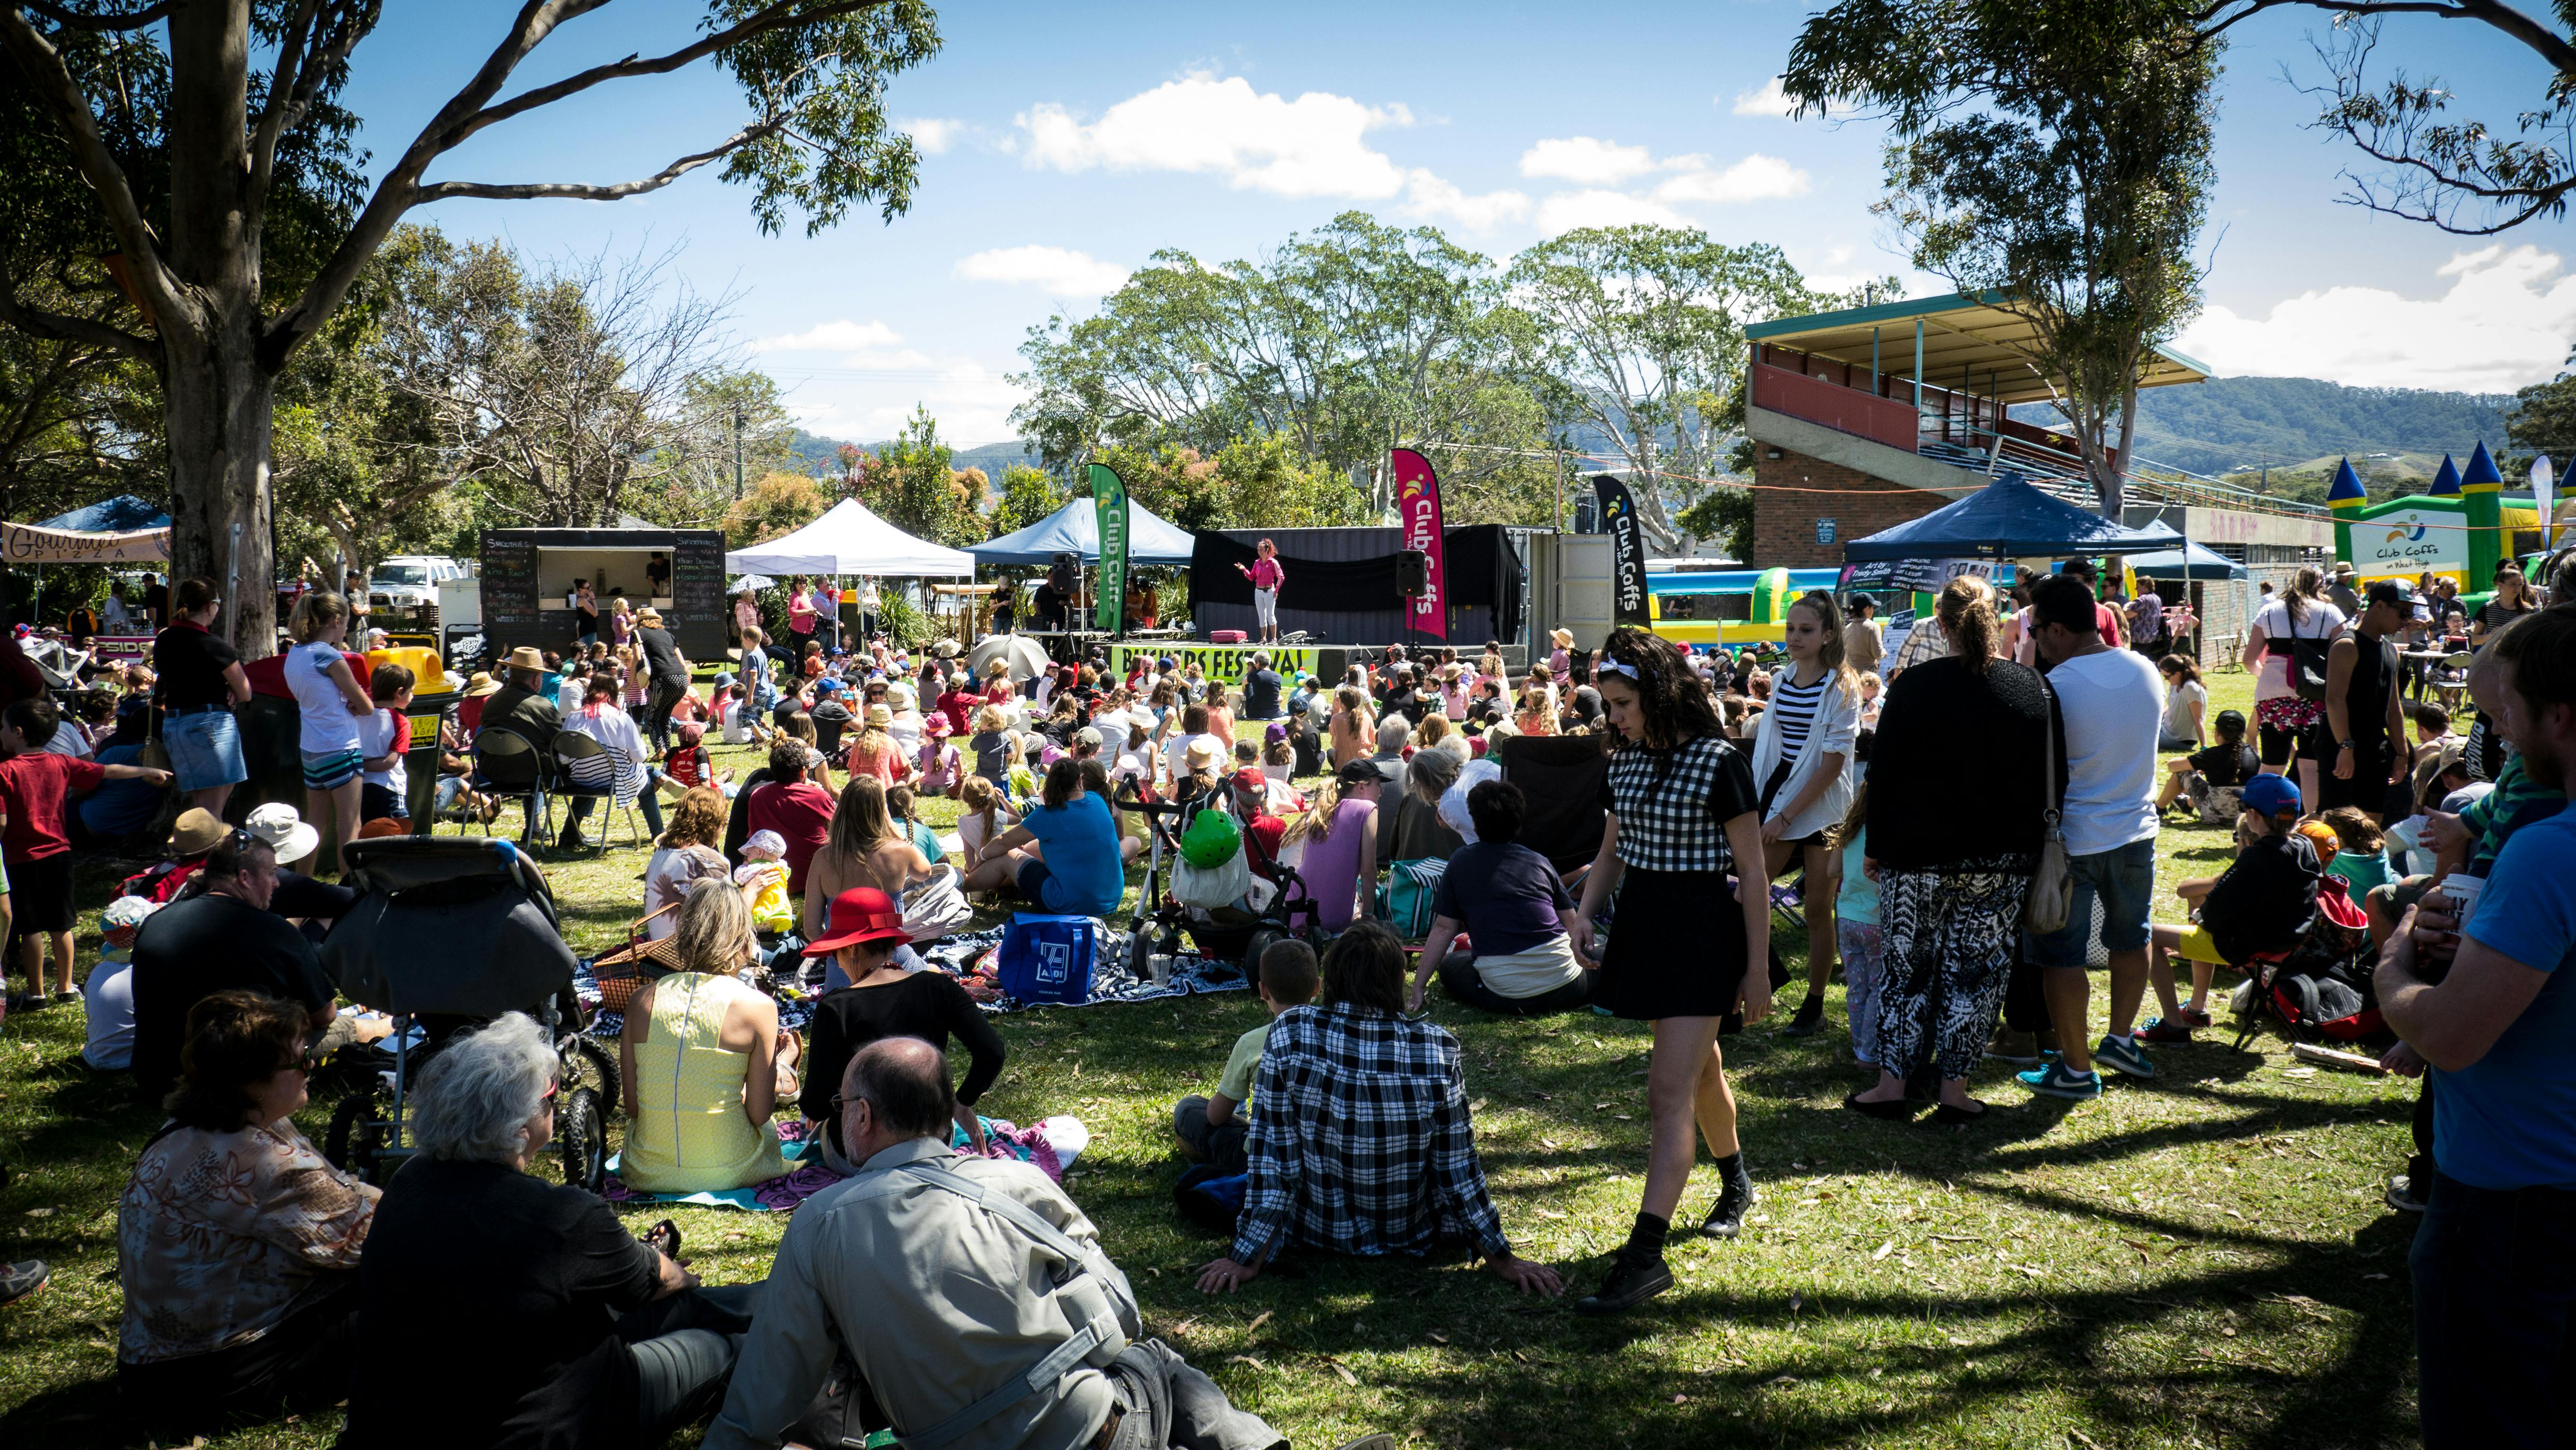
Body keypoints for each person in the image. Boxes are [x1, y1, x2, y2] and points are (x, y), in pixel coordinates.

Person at [715, 1039, 1307, 1450]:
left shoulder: (817, 1223)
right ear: (945, 1114)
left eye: (841, 1105)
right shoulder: (1016, 1182)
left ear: (863, 1116)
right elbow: (1119, 1313)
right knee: (1155, 1361)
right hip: (1089, 1431)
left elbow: (768, 1388)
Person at [346, 1012, 758, 1449]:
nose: (556, 1106)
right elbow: (651, 1280)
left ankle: (782, 1304)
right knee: (724, 1345)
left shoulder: (406, 1186)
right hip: (553, 1424)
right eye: (550, 1096)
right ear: (522, 1129)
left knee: (693, 1308)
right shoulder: (563, 1215)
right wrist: (682, 1274)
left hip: (396, 1430)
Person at [2369, 608, 2576, 1446]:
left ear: (2558, 716)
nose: (2497, 736)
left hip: (2512, 1204)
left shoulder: (2549, 853)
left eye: (2503, 717)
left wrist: (2393, 968)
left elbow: (2450, 1038)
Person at [1195, 922, 1560, 1305]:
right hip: (1409, 1234)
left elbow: (1275, 1160)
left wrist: (1247, 1257)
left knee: (1195, 1116)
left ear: (1329, 980)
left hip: (1314, 1231)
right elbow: (1457, 1170)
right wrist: (1503, 1258)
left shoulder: (1291, 1033)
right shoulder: (1437, 1049)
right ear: (1397, 980)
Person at [1567, 626, 1769, 1312]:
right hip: (1648, 927)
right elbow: (1612, 853)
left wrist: (1758, 971)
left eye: (1622, 703)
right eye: (1611, 705)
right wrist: (1586, 913)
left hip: (1702, 932)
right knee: (1698, 1067)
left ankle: (1646, 1256)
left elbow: (1753, 871)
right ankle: (1737, 1179)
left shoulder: (1718, 762)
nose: (1614, 716)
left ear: (1655, 693)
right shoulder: (1621, 764)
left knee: (1666, 1093)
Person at [116, 991, 377, 1433]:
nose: (310, 1067)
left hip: (149, 1367)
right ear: (252, 1080)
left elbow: (338, 1201)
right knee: (421, 1296)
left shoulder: (189, 1128)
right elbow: (386, 1236)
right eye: (299, 1063)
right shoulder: (263, 1165)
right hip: (214, 1380)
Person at [1844, 575, 2051, 1119]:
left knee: (1904, 970)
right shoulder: (2029, 687)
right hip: (2001, 857)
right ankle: (1954, 1091)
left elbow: (1883, 774)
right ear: (1999, 621)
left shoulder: (1913, 687)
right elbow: (2048, 778)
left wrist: (1876, 844)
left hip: (1917, 854)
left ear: (1940, 623)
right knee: (1976, 974)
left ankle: (1891, 1085)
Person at [2017, 573, 2167, 1100]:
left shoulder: (2054, 686)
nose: (2034, 640)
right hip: (2136, 831)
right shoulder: (2146, 668)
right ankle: (2119, 1038)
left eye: (2035, 629)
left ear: (2056, 628)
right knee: (2132, 938)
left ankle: (2076, 1070)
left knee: (2062, 956)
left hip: (2073, 841)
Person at [796, 887, 1005, 1173]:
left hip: (858, 1153)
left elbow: (817, 1106)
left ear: (853, 948)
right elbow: (992, 1051)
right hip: (933, 1145)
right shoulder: (940, 988)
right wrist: (961, 1103)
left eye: (836, 952)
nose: (837, 961)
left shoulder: (836, 1006)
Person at [127, 830, 340, 1103]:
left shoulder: (156, 921)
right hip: (236, 1082)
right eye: (272, 873)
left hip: (158, 1078)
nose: (277, 883)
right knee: (352, 1026)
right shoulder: (275, 931)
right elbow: (324, 1016)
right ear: (244, 878)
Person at [619, 880, 794, 1192]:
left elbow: (634, 1107)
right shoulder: (758, 1007)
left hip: (646, 1169)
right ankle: (787, 1070)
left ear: (684, 933)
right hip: (730, 1168)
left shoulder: (641, 1000)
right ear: (744, 939)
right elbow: (759, 1114)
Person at [0, 699, 169, 1007]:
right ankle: (65, 987)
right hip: (60, 855)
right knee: (62, 924)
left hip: (20, 859)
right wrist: (145, 768)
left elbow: (1, 821)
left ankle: (36, 993)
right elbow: (107, 771)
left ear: (18, 732)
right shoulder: (60, 763)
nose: (1, 732)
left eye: (3, 727)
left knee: (31, 929)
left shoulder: (4, 772)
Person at [2139, 775, 2322, 1042]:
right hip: (2288, 941)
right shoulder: (2305, 847)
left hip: (2246, 946)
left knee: (2148, 935)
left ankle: (2172, 1024)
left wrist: (2197, 919)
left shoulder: (2256, 857)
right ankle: (2196, 1009)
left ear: (2254, 816)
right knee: (2197, 904)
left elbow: (2212, 916)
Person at [1752, 591, 1861, 1037]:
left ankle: (1814, 1005)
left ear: (1829, 635)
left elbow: (1833, 763)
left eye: (1806, 630)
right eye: (1791, 629)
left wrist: (1785, 817)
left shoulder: (1842, 685)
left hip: (1826, 802)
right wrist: (1768, 806)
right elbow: (1773, 748)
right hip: (1782, 790)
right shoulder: (1780, 678)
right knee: (1750, 895)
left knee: (1818, 908)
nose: (1794, 638)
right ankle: (1756, 984)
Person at [1409, 780, 1592, 1015]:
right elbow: (1571, 923)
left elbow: (1445, 927)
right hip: (1568, 985)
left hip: (1505, 994)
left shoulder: (1460, 862)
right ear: (1519, 822)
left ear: (1475, 823)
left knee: (1450, 965)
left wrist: (1418, 987)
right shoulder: (1538, 861)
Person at [1174, 939, 1319, 1175]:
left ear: (1263, 990)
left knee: (1188, 1108)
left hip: (1261, 1161)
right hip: (1321, 1159)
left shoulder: (1252, 1044)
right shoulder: (1336, 1035)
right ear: (1317, 986)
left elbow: (1215, 1116)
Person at [280, 591, 376, 873]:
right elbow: (367, 706)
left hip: (311, 749)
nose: (347, 628)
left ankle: (302, 886)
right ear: (336, 620)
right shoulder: (328, 656)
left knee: (314, 825)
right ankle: (351, 893)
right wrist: (355, 705)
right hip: (340, 745)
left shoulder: (295, 653)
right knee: (349, 824)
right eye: (346, 622)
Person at [2243, 565, 2347, 813]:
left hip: (2273, 696)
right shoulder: (2331, 613)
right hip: (2315, 695)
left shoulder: (2268, 611)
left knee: (2271, 763)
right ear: (2320, 585)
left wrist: (2265, 677)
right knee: (2310, 765)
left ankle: (2255, 817)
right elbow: (2342, 656)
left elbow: (2249, 660)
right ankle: (2311, 823)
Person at [969, 758, 1124, 917]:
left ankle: (962, 887)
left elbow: (1004, 843)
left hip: (1070, 904)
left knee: (1007, 856)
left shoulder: (1049, 814)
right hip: (1110, 900)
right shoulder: (1097, 800)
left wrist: (982, 855)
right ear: (1079, 780)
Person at [153, 574, 253, 816]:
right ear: (210, 606)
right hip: (208, 725)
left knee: (202, 807)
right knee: (212, 812)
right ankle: (205, 854)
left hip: (175, 725)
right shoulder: (213, 645)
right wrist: (229, 687)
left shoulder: (164, 639)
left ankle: (195, 851)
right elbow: (246, 692)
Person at [803, 775, 934, 948]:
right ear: (883, 811)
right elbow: (925, 872)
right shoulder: (901, 851)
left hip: (842, 962)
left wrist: (838, 959)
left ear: (842, 810)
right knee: (934, 971)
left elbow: (811, 930)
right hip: (892, 958)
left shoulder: (823, 858)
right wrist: (896, 830)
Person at [2324, 579, 2414, 822]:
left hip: (2376, 747)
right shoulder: (2347, 645)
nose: (2407, 620)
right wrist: (2346, 747)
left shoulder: (2390, 650)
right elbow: (2334, 700)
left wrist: (2402, 754)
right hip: (2342, 746)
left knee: (2371, 824)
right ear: (2381, 606)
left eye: (2411, 614)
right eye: (2404, 612)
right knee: (2337, 824)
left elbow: (2393, 706)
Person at [560, 671, 667, 849]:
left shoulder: (573, 717)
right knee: (647, 785)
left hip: (581, 779)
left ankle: (569, 834)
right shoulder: (620, 717)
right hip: (614, 781)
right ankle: (659, 832)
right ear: (614, 693)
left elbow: (564, 758)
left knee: (592, 773)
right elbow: (640, 756)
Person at [1285, 760, 1382, 935]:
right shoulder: (1367, 808)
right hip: (1332, 919)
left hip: (1296, 910)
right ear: (1361, 787)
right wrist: (1368, 915)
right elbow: (1368, 869)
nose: (1381, 791)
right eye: (1378, 784)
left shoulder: (1322, 809)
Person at [743, 741, 834, 896]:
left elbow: (754, 836)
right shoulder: (818, 797)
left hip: (772, 877)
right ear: (802, 773)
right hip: (813, 877)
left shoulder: (757, 796)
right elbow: (839, 828)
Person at [644, 788, 733, 940]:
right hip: (695, 957)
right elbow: (730, 924)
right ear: (713, 824)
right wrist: (753, 890)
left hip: (659, 948)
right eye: (723, 821)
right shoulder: (709, 862)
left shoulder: (662, 851)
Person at [2158, 707, 2261, 820]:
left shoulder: (2212, 754)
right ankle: (2186, 805)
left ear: (2217, 733)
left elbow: (2173, 767)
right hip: (2245, 816)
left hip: (2214, 815)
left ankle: (2159, 808)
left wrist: (2182, 762)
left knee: (2183, 772)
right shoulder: (2252, 753)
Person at [635, 606, 691, 754]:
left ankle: (660, 749)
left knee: (651, 717)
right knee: (664, 716)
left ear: (640, 622)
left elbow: (637, 658)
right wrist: (687, 672)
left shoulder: (638, 634)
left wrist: (631, 681)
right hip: (681, 678)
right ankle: (668, 749)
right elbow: (680, 658)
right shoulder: (668, 634)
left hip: (663, 678)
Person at [2469, 566, 2537, 645]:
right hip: (2492, 655)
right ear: (2501, 585)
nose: (2517, 588)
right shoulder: (2487, 608)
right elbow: (2475, 640)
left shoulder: (2528, 611)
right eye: (2513, 584)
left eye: (2520, 585)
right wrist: (2491, 636)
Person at [1236, 537, 1285, 644]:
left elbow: (1281, 577)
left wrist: (1276, 590)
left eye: (1261, 550)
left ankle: (1274, 639)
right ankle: (1263, 639)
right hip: (1258, 591)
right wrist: (1244, 569)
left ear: (1267, 550)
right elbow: (1251, 577)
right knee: (1261, 616)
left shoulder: (1273, 563)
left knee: (1271, 616)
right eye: (1258, 550)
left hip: (1269, 591)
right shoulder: (1257, 563)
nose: (1259, 552)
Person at [2157, 653, 2208, 751]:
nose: (2166, 680)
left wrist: (2204, 747)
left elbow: (2199, 720)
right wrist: (2158, 718)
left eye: (2167, 677)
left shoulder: (2191, 688)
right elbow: (2173, 706)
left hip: (2179, 740)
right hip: (2166, 730)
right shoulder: (2175, 685)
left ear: (2178, 674)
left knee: (2140, 737)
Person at [1842, 594, 1884, 676]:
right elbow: (1878, 654)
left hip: (1851, 677)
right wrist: (1885, 652)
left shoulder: (1848, 628)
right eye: (1873, 607)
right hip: (1868, 679)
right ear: (1867, 609)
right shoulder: (1873, 627)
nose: (1873, 610)